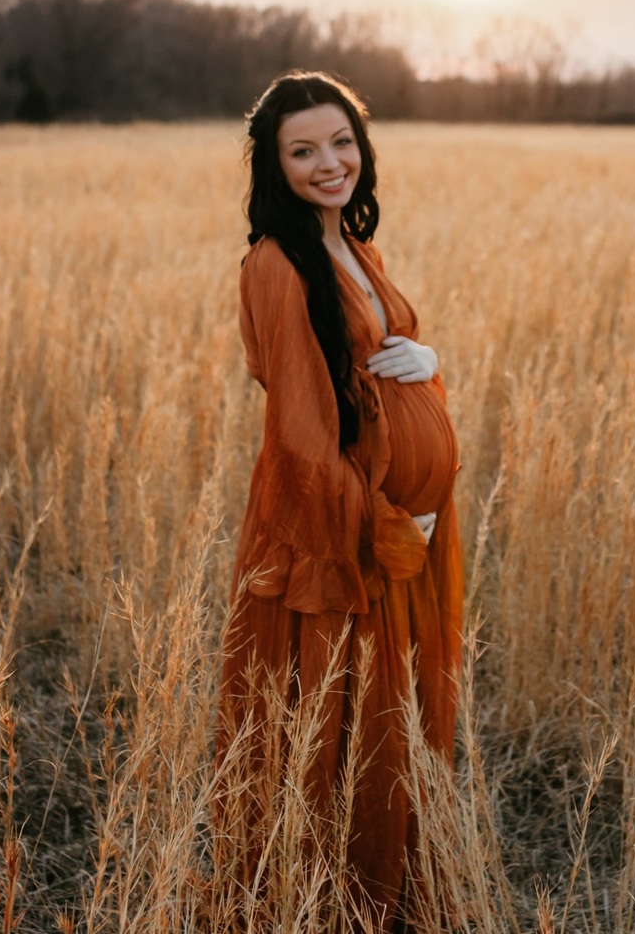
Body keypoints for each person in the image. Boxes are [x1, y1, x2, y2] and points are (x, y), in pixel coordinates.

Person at [217, 70, 463, 931]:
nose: (330, 163)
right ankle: (316, 907)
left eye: (342, 142)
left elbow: (378, 368)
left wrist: (427, 367)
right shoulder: (277, 264)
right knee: (329, 734)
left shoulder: (354, 247)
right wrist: (386, 527)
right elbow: (300, 437)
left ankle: (379, 902)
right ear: (273, 165)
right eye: (303, 150)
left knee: (381, 726)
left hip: (398, 531)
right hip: (340, 541)